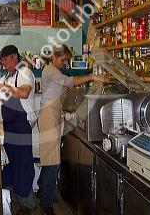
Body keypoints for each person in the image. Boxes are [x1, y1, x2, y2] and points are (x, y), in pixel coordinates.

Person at [37, 44, 104, 215]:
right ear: (53, 57)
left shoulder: (53, 71)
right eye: (62, 59)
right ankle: (46, 203)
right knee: (52, 161)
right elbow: (68, 81)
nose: (64, 63)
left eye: (66, 60)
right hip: (48, 116)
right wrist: (92, 76)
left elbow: (65, 87)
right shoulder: (51, 70)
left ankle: (42, 192)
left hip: (53, 115)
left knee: (49, 158)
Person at [0, 45, 37, 215]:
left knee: (23, 163)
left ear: (14, 57)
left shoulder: (24, 72)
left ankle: (28, 204)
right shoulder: (7, 77)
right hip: (9, 124)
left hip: (22, 125)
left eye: (5, 59)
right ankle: (15, 198)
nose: (3, 62)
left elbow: (24, 93)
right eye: (2, 60)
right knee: (13, 162)